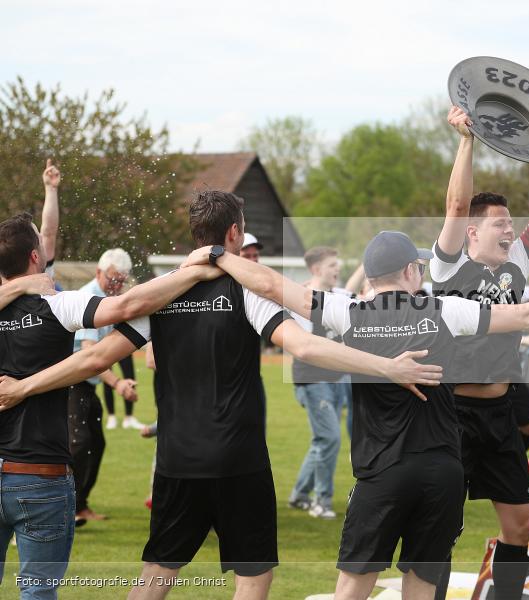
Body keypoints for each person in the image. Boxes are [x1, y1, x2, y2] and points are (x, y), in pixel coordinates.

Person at [0, 193, 441, 600]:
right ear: (234, 233)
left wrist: (24, 385)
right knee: (253, 573)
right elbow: (305, 347)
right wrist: (386, 366)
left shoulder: (162, 293)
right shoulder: (246, 290)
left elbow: (95, 361)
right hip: (238, 458)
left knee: (158, 569)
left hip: (176, 459)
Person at [178, 230, 529, 600]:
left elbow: (271, 285)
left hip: (383, 472)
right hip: (442, 471)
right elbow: (526, 316)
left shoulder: (348, 310)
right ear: (408, 270)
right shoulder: (444, 309)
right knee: (421, 588)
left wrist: (218, 253)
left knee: (351, 589)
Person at [0, 212, 226, 600]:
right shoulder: (58, 306)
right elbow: (125, 307)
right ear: (36, 258)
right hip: (39, 475)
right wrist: (188, 271)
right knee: (37, 593)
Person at [429, 105, 529, 599]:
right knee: (439, 529)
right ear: (473, 232)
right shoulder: (446, 267)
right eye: (499, 223)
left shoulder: (517, 265)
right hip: (450, 412)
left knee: (519, 528)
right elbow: (456, 205)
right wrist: (466, 141)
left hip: (499, 413)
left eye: (510, 223)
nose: (509, 229)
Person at [70, 248, 139, 525]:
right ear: (99, 272)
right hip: (72, 383)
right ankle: (66, 507)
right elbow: (91, 355)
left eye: (121, 281)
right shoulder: (90, 298)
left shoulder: (111, 299)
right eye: (113, 279)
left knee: (95, 443)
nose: (117, 286)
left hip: (87, 384)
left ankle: (80, 504)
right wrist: (119, 384)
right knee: (79, 443)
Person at [288, 246, 354, 519]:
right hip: (312, 380)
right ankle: (322, 502)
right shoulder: (302, 300)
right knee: (329, 438)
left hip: (337, 378)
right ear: (316, 270)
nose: (337, 269)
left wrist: (364, 268)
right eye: (331, 266)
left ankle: (300, 495)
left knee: (322, 441)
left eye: (337, 265)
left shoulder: (337, 295)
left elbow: (358, 295)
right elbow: (306, 347)